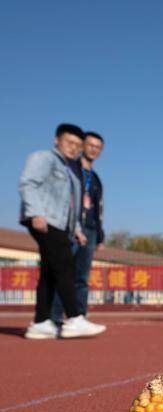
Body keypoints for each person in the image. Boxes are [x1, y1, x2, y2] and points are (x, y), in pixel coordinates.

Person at [19, 123, 105, 339]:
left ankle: (40, 322)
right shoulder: (44, 158)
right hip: (46, 221)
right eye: (70, 142)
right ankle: (75, 318)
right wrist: (36, 213)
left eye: (77, 144)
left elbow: (70, 206)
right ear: (57, 140)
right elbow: (28, 183)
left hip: (61, 225)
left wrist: (76, 228)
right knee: (66, 267)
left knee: (49, 272)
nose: (74, 148)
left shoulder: (69, 171)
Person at [51, 131, 106, 325]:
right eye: (90, 145)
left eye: (98, 147)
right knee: (64, 272)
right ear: (82, 146)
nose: (94, 149)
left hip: (90, 229)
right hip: (70, 227)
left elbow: (99, 208)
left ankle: (79, 316)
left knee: (82, 276)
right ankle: (55, 316)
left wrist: (100, 235)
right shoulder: (70, 168)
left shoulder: (96, 179)